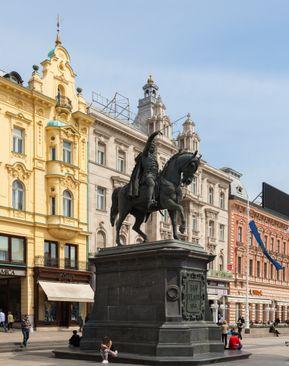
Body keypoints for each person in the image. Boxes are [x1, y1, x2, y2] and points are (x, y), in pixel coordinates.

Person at [128, 130, 162, 210]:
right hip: (147, 176)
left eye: (154, 147)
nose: (153, 147)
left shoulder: (154, 158)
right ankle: (149, 201)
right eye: (151, 146)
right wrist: (154, 134)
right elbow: (149, 141)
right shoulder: (145, 154)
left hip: (155, 176)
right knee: (151, 184)